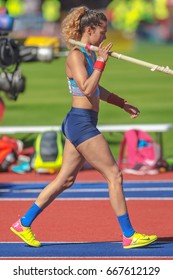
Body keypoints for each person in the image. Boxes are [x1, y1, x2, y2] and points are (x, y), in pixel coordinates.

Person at [10, 6, 157, 249]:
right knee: (114, 175)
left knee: (65, 180)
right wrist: (101, 63)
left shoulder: (88, 55)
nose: (105, 37)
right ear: (89, 30)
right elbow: (87, 88)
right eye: (102, 32)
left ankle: (23, 223)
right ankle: (129, 235)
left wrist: (121, 103)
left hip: (81, 122)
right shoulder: (76, 56)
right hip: (80, 123)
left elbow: (97, 90)